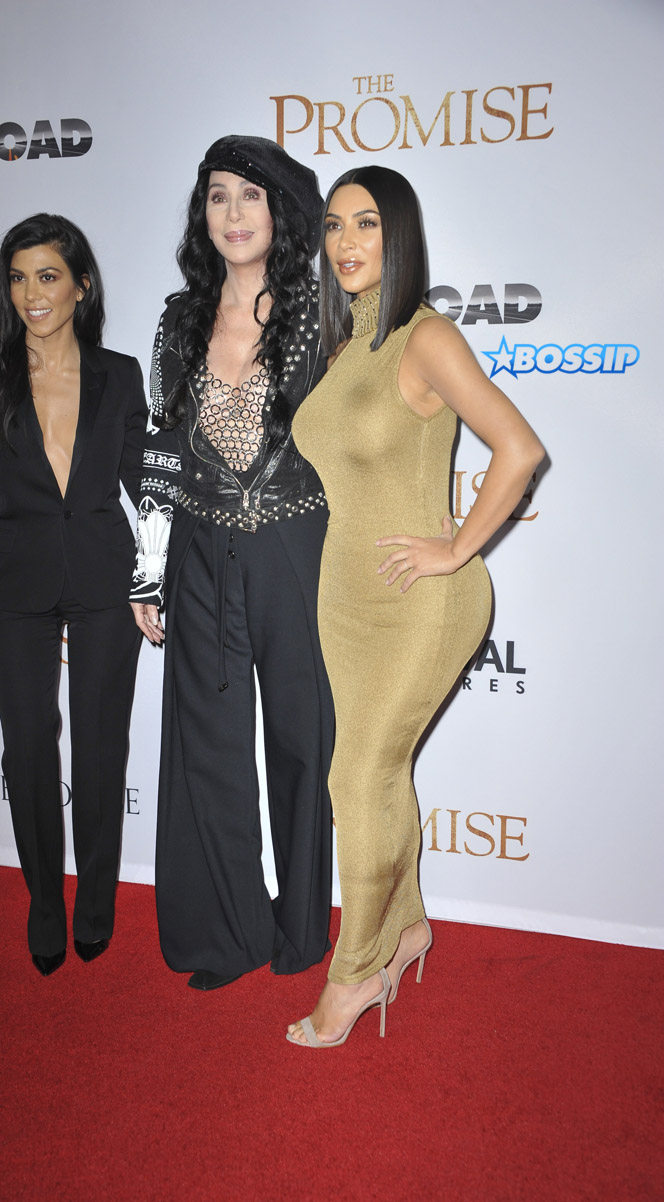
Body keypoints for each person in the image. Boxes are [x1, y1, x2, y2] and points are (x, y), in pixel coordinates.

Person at [287, 166, 545, 1047]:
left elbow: (519, 448)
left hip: (423, 602)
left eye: (366, 223)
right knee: (380, 774)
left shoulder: (427, 337)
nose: (346, 242)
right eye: (334, 225)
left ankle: (356, 971)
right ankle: (405, 929)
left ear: (399, 235)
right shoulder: (340, 350)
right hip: (346, 600)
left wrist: (458, 547)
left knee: (355, 778)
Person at [130, 135, 334, 990]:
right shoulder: (179, 320)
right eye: (218, 196)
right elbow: (161, 454)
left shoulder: (322, 313)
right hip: (200, 554)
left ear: (280, 212)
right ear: (202, 214)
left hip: (299, 551)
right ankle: (226, 932)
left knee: (301, 743)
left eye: (251, 196)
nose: (234, 214)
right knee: (207, 750)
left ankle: (303, 933)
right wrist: (147, 572)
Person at [0, 213, 147, 976]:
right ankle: (43, 903)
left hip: (104, 578)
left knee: (100, 748)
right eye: (19, 278)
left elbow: (145, 490)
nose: (33, 293)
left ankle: (94, 902)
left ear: (81, 286)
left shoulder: (118, 375)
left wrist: (156, 577)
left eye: (49, 276)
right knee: (28, 748)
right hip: (14, 583)